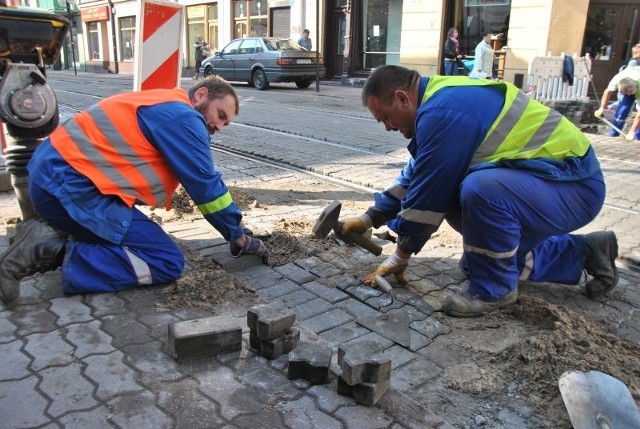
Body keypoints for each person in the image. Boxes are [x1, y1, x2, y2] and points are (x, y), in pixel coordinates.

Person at [340, 65, 618, 318]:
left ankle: (495, 290)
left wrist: (400, 256)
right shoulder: (436, 102)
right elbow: (418, 173)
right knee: (481, 259)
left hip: (574, 186)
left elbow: (429, 194)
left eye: (386, 118)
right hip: (544, 182)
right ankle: (588, 252)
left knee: (480, 191)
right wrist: (370, 217)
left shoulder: (443, 113)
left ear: (402, 98)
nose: (388, 128)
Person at [0, 76, 269, 304]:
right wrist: (237, 236)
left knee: (133, 237)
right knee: (165, 260)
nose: (218, 127)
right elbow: (207, 188)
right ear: (201, 95)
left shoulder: (165, 102)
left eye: (225, 124)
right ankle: (47, 250)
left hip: (51, 180)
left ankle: (49, 235)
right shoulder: (186, 119)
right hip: (69, 188)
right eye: (220, 115)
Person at [594, 67, 640, 139]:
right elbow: (608, 92)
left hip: (638, 87)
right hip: (630, 80)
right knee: (623, 110)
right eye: (625, 92)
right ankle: (613, 136)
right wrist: (602, 108)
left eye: (630, 92)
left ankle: (637, 139)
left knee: (635, 132)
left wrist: (632, 132)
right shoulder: (617, 79)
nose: (628, 94)